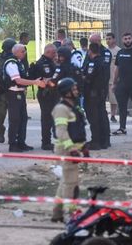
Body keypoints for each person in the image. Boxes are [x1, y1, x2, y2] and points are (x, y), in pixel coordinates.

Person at [51, 77, 88, 223]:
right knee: (71, 183)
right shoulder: (61, 109)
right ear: (66, 92)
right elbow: (61, 131)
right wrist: (71, 149)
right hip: (65, 151)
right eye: (73, 89)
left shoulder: (73, 106)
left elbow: (78, 129)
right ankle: (72, 212)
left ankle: (57, 213)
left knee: (65, 182)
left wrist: (83, 146)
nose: (76, 91)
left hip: (74, 150)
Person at [3, 43, 46, 152]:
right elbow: (18, 80)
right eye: (22, 51)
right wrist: (35, 82)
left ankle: (21, 142)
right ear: (16, 52)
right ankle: (13, 144)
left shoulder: (19, 63)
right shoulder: (11, 63)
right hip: (13, 94)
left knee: (23, 119)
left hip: (20, 93)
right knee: (15, 119)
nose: (25, 53)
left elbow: (24, 77)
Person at [29, 44, 58, 151]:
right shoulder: (43, 63)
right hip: (46, 94)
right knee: (47, 119)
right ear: (48, 52)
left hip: (52, 93)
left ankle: (51, 139)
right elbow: (49, 79)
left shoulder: (50, 61)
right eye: (54, 52)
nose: (56, 54)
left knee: (52, 117)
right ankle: (46, 142)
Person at [81, 43, 109, 150]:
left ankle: (96, 141)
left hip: (92, 95)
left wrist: (81, 76)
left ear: (90, 51)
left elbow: (88, 77)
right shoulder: (103, 61)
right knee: (102, 117)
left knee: (94, 118)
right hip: (101, 93)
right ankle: (104, 141)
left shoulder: (92, 63)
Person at [0, 38, 16, 144]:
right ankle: (1, 132)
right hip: (1, 91)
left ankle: (13, 135)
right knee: (0, 115)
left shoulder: (15, 58)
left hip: (12, 90)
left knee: (14, 116)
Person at [105, 32, 120, 123]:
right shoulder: (105, 51)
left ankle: (113, 115)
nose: (108, 41)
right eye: (106, 39)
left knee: (113, 99)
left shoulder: (118, 51)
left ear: (114, 39)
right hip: (104, 78)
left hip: (113, 78)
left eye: (109, 38)